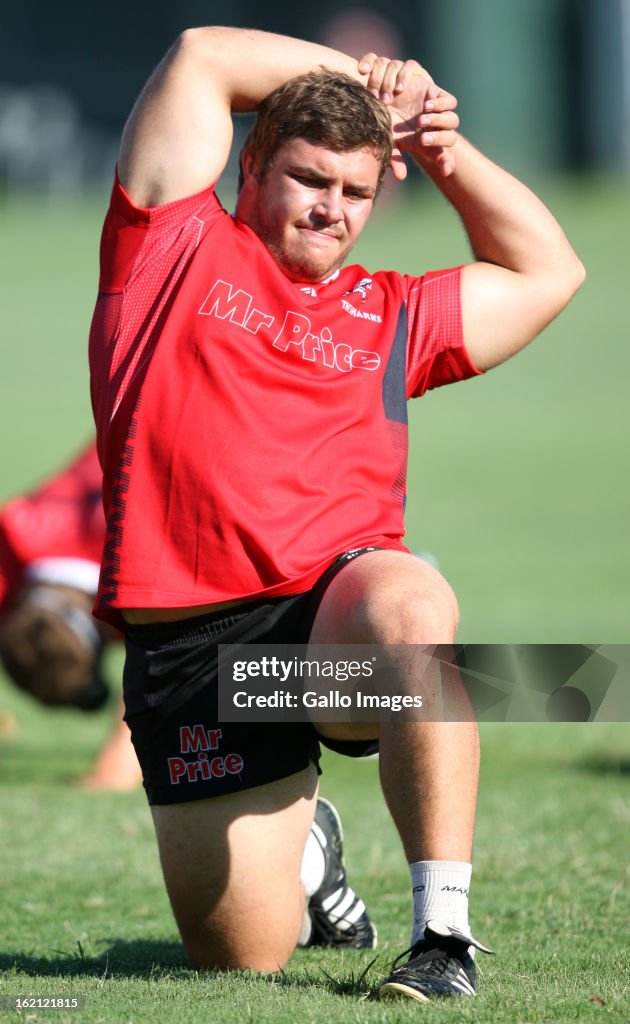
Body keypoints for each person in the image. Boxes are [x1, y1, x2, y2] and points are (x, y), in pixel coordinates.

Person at [87, 27, 585, 1001]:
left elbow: (546, 273)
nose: (334, 210)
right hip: (205, 656)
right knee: (241, 958)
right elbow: (199, 56)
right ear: (252, 166)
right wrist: (366, 78)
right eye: (312, 180)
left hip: (334, 621)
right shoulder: (169, 245)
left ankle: (444, 936)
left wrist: (438, 140)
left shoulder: (390, 311)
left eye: (357, 192)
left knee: (413, 606)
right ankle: (311, 858)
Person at [0, 443, 142, 791]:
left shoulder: (136, 548)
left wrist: (116, 765)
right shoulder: (12, 530)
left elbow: (167, 662)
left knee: (247, 673)